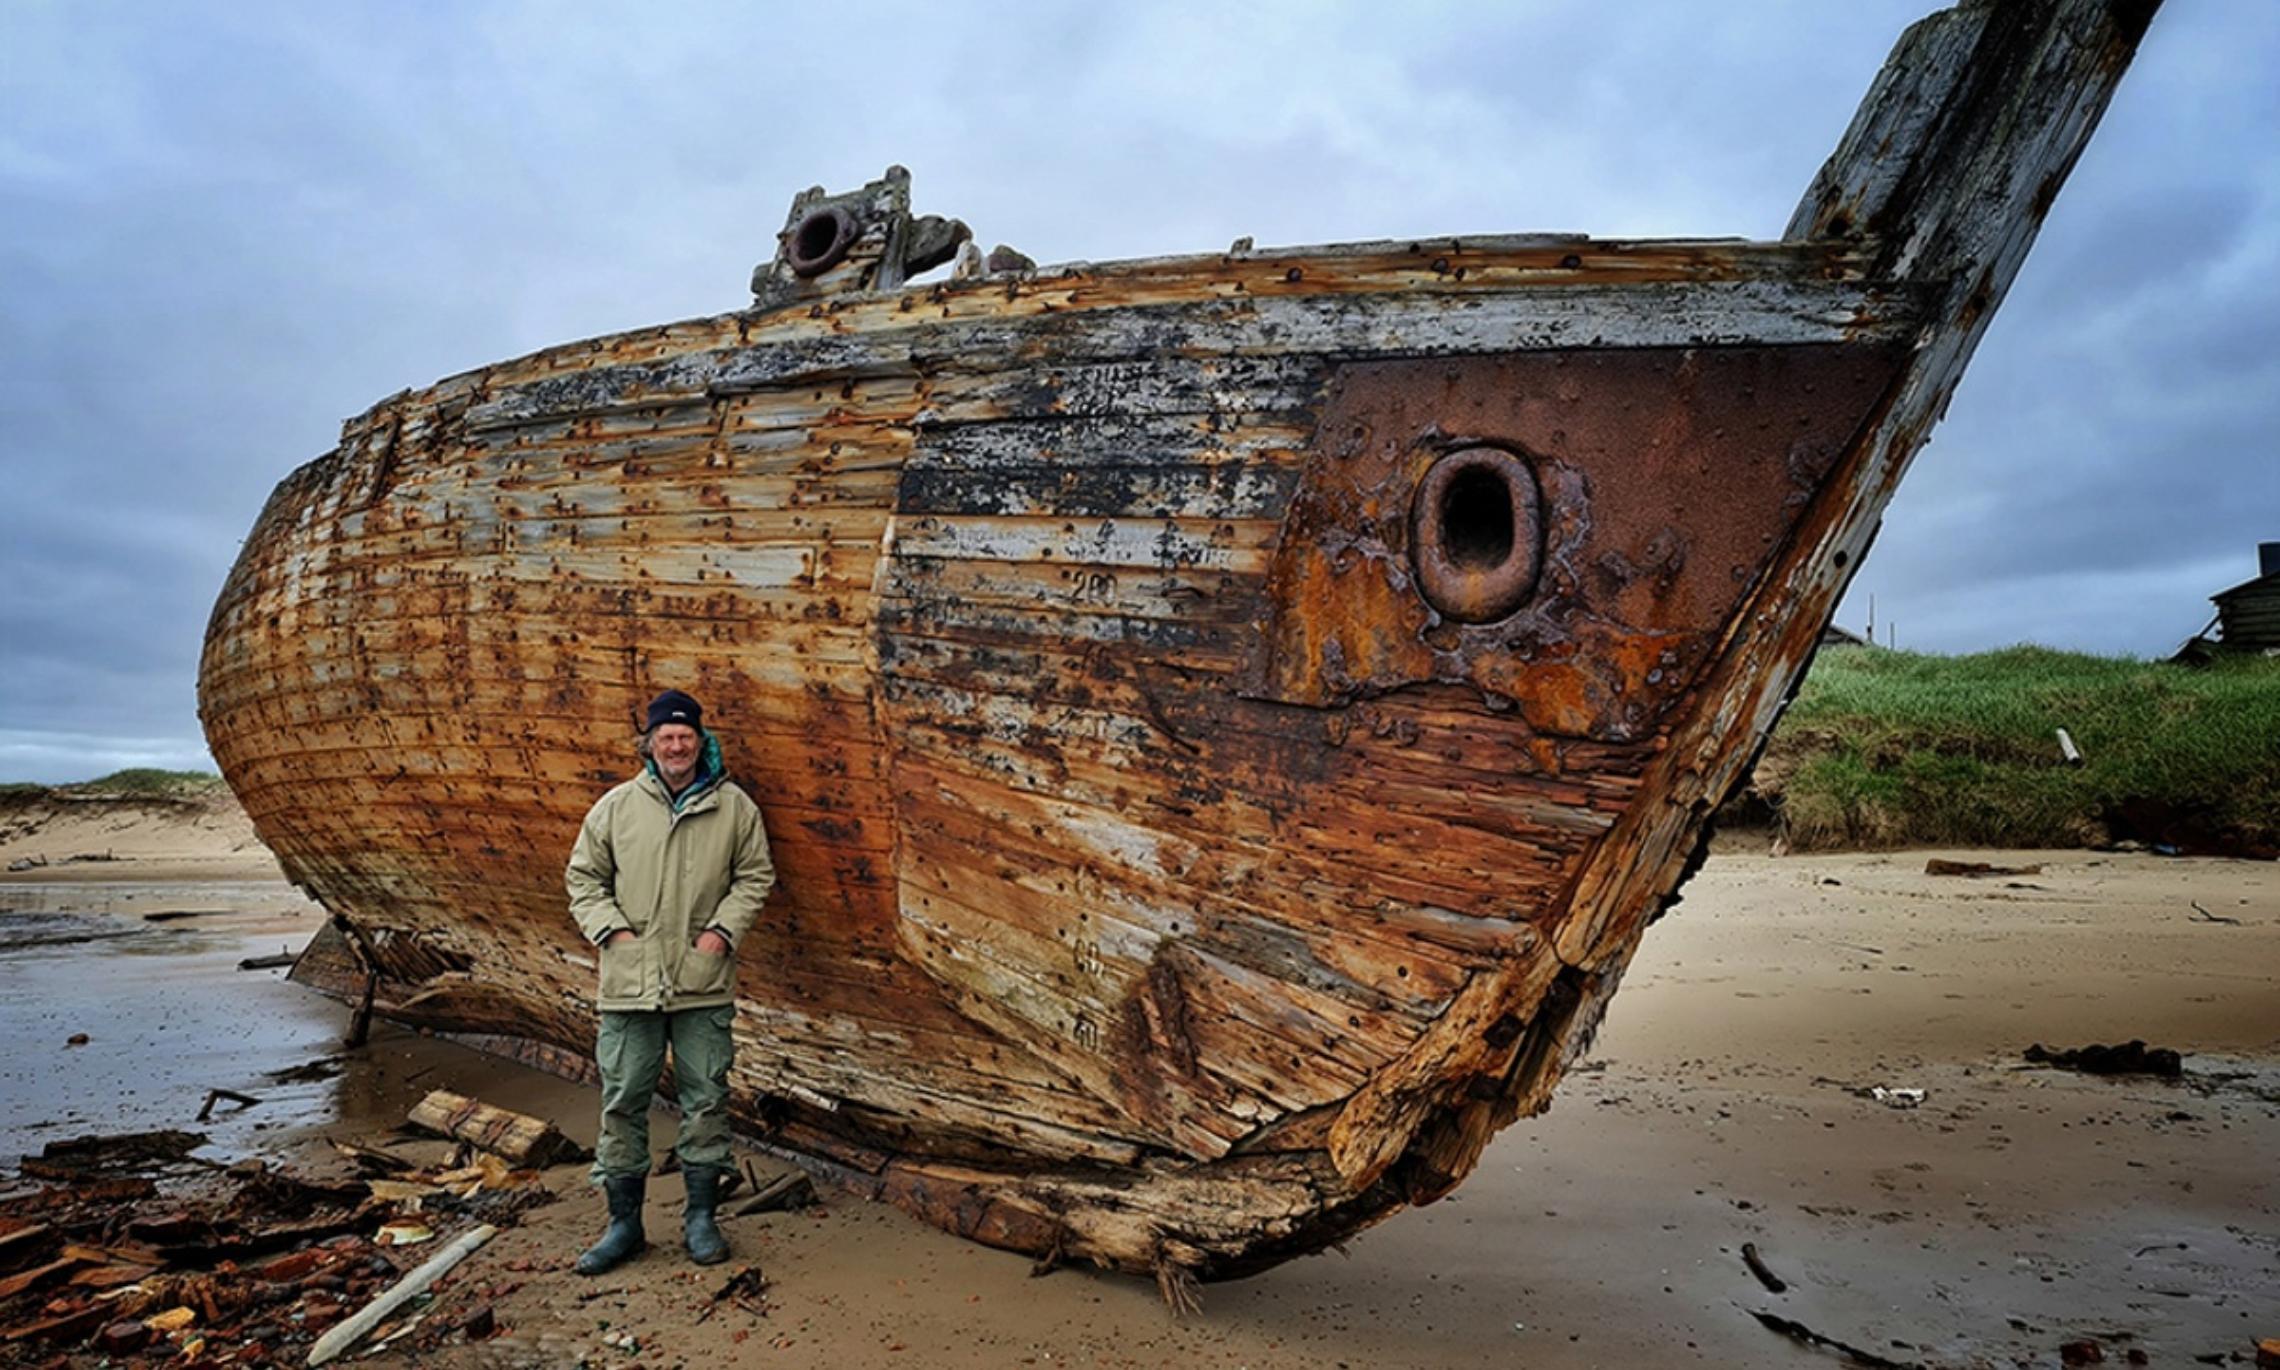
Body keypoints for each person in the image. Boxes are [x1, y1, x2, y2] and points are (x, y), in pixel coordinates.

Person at [564, 688, 774, 1274]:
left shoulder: (735, 808)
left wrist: (722, 933)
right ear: (651, 744)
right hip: (630, 982)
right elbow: (583, 879)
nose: (676, 745)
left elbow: (755, 876)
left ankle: (700, 1218)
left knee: (705, 1095)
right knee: (623, 1098)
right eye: (666, 736)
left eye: (686, 736)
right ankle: (623, 1225)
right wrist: (613, 933)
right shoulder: (616, 808)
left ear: (700, 741)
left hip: (702, 980)